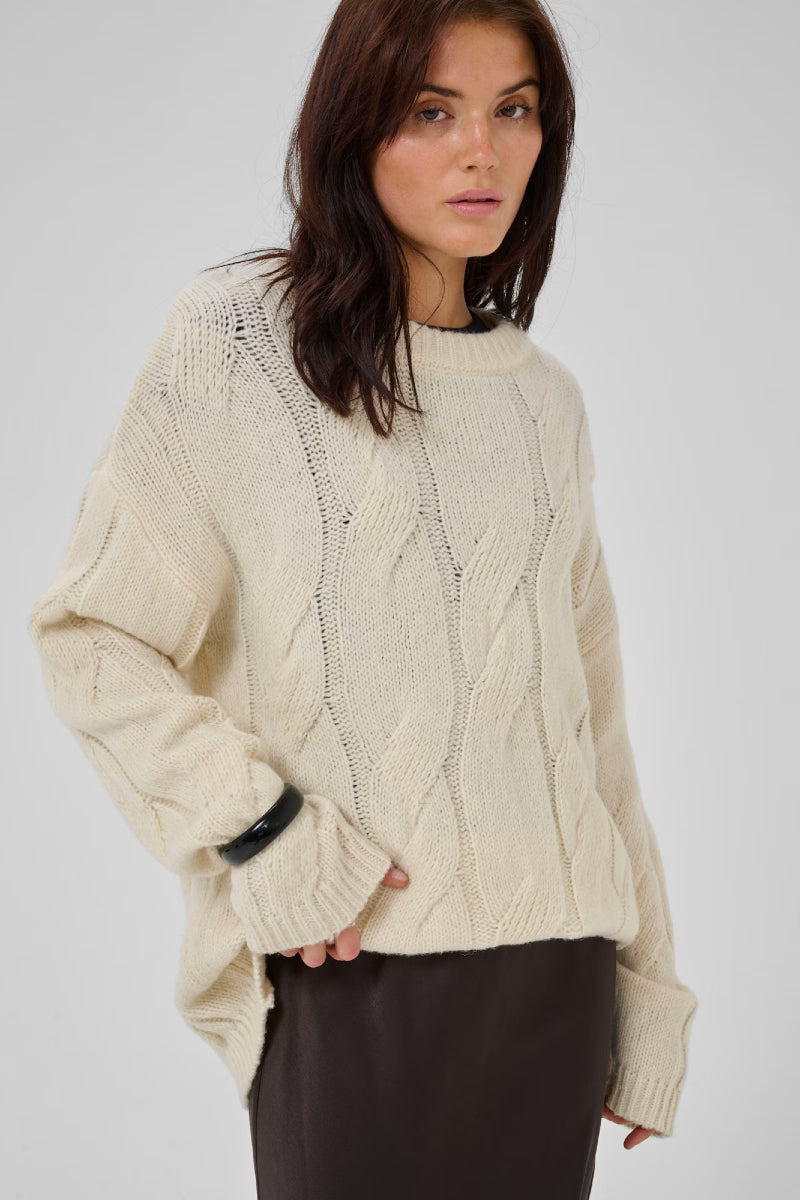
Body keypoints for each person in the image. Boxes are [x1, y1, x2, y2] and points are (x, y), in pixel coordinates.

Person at [27, 2, 699, 1197]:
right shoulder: (238, 346)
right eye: (430, 112)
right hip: (353, 969)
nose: (480, 152)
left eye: (512, 111)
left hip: (554, 980)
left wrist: (647, 988)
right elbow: (94, 637)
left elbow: (590, 728)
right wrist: (265, 830)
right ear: (353, 126)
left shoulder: (544, 403)